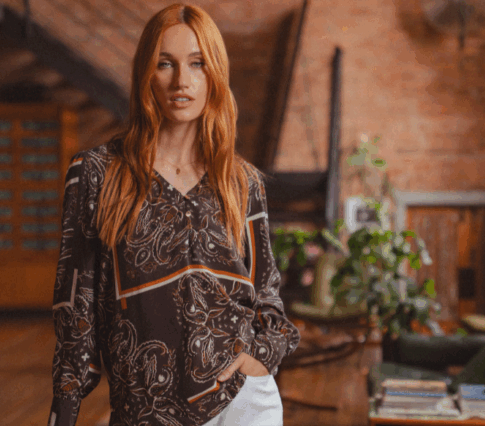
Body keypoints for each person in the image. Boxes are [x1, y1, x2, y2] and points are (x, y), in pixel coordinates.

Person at [47, 4, 300, 426]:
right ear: (146, 73)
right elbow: (75, 316)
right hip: (144, 412)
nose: (182, 81)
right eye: (165, 63)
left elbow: (267, 295)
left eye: (197, 64)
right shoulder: (96, 174)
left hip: (241, 402)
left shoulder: (242, 182)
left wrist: (261, 357)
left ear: (214, 74)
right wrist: (63, 416)